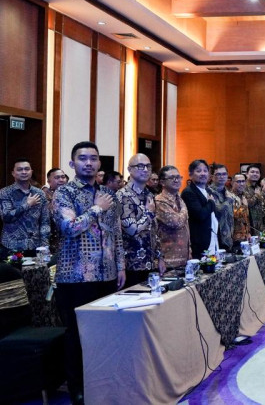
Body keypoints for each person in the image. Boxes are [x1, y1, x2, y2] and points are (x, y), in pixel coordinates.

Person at [53, 141, 125, 404]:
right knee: (77, 336)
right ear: (72, 163)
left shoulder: (108, 193)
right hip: (75, 276)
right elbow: (69, 228)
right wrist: (97, 209)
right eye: (82, 158)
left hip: (107, 274)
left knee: (105, 334)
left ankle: (105, 384)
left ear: (99, 163)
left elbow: (116, 232)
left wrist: (120, 265)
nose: (88, 163)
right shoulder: (64, 193)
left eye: (93, 158)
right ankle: (78, 390)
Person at [117, 154, 163, 288]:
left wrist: (160, 257)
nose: (145, 170)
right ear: (129, 169)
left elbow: (155, 229)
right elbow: (131, 230)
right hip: (132, 264)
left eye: (148, 166)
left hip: (151, 262)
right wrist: (148, 213)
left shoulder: (149, 194)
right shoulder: (122, 195)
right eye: (140, 166)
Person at [0, 158, 50, 255]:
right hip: (11, 245)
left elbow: (45, 221)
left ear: (31, 172)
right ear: (13, 173)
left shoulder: (40, 193)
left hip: (35, 245)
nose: (24, 172)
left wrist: (45, 245)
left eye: (27, 169)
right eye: (20, 169)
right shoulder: (5, 192)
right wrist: (27, 205)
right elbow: (6, 217)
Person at [181, 159, 219, 258]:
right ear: (190, 174)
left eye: (205, 171)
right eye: (198, 171)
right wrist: (211, 202)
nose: (203, 173)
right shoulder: (189, 192)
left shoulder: (208, 191)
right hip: (199, 242)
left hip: (212, 238)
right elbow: (200, 215)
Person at [155, 166, 191, 269]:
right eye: (172, 178)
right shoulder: (160, 201)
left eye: (178, 177)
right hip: (168, 260)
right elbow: (176, 222)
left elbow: (185, 226)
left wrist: (189, 250)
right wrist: (184, 209)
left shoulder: (179, 199)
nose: (176, 180)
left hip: (184, 258)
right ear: (162, 182)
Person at [209, 163, 235, 252]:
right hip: (216, 237)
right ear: (212, 177)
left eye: (224, 174)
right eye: (218, 174)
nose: (222, 177)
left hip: (229, 237)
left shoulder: (228, 192)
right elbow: (218, 211)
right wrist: (228, 200)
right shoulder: (209, 192)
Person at [230, 173, 251, 246]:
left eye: (243, 181)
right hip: (234, 237)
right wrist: (244, 206)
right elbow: (233, 216)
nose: (241, 184)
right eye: (238, 182)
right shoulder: (229, 197)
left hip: (245, 235)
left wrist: (248, 232)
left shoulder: (244, 196)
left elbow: (246, 218)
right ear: (232, 182)